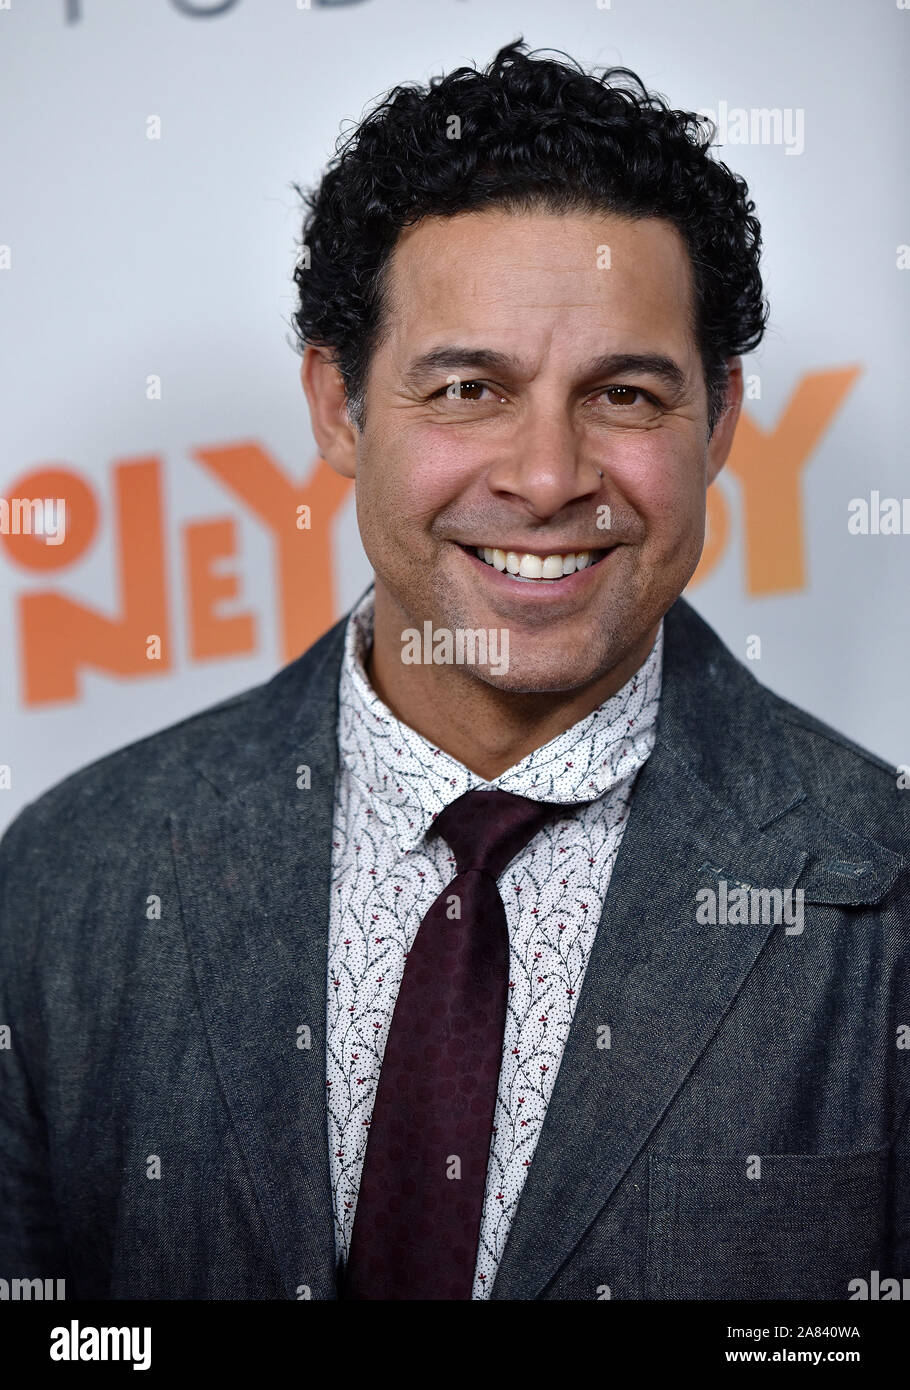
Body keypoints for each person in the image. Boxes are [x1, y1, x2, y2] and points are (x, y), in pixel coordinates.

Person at [1, 39, 907, 1302]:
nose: (546, 478)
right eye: (469, 386)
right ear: (336, 406)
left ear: (720, 422)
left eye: (627, 396)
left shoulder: (884, 890)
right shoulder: (65, 882)